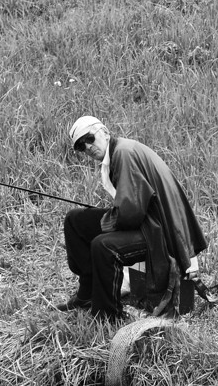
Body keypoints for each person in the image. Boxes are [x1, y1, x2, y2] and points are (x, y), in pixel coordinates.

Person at [58, 116, 209, 321]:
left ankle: (108, 314)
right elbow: (130, 207)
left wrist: (106, 222)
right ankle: (87, 294)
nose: (87, 147)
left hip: (160, 232)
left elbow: (130, 215)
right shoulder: (119, 151)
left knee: (103, 246)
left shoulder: (123, 153)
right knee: (75, 220)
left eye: (89, 139)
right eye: (81, 146)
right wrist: (110, 218)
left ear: (104, 132)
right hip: (148, 221)